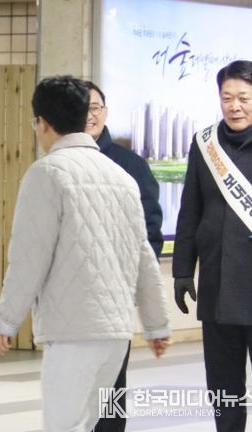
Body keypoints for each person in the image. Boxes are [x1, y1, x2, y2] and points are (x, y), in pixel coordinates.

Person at [0, 76, 170, 432]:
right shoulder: (121, 177)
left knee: (65, 426)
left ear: (43, 123)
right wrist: (156, 324)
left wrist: (5, 322)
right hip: (116, 334)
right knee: (91, 424)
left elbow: (29, 259)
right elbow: (144, 257)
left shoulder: (46, 173)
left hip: (72, 331)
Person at [173, 59, 252, 432]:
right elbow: (190, 210)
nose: (234, 106)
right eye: (227, 98)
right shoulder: (205, 143)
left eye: (243, 98)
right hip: (218, 289)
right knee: (224, 391)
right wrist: (183, 269)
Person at [84, 80, 164, 432]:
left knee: (110, 389)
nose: (88, 115)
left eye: (94, 107)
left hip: (111, 298)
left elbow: (150, 231)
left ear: (105, 111)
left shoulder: (131, 165)